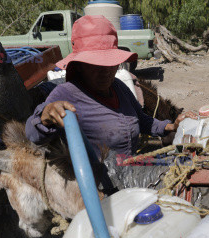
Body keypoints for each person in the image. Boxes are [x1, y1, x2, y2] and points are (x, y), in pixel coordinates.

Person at [25, 15, 196, 157]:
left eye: (110, 63)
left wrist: (170, 126)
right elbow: (32, 135)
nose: (105, 71)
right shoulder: (65, 94)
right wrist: (44, 118)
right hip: (95, 189)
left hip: (128, 174)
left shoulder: (119, 87)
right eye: (95, 64)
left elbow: (142, 120)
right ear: (80, 65)